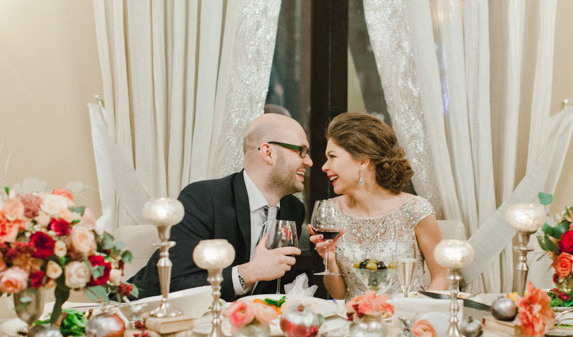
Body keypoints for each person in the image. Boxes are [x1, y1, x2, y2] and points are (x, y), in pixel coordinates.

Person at [130, 113, 313, 302]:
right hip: (151, 317)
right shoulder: (203, 199)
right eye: (301, 151)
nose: (309, 161)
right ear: (268, 153)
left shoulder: (293, 209)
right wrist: (248, 273)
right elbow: (173, 285)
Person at [309, 112, 448, 299]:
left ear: (363, 161)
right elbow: (339, 295)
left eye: (332, 156)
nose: (324, 167)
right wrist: (329, 258)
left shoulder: (415, 209)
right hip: (357, 322)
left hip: (407, 320)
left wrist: (418, 315)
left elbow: (442, 276)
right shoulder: (331, 213)